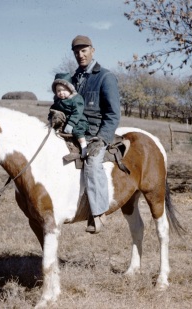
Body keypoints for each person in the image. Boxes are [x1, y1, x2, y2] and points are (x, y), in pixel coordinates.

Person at [70, 35, 121, 234]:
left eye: (84, 51)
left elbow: (113, 113)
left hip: (95, 134)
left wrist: (102, 138)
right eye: (76, 52)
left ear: (93, 50)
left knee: (92, 163)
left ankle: (98, 213)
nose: (80, 55)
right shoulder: (73, 79)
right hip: (75, 130)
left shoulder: (105, 77)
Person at [49, 73, 89, 157]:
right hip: (66, 121)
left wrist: (71, 124)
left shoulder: (76, 99)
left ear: (70, 89)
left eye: (64, 90)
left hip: (78, 121)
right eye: (58, 91)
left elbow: (77, 112)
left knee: (77, 131)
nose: (61, 93)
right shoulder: (58, 101)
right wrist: (50, 118)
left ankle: (84, 147)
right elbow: (52, 110)